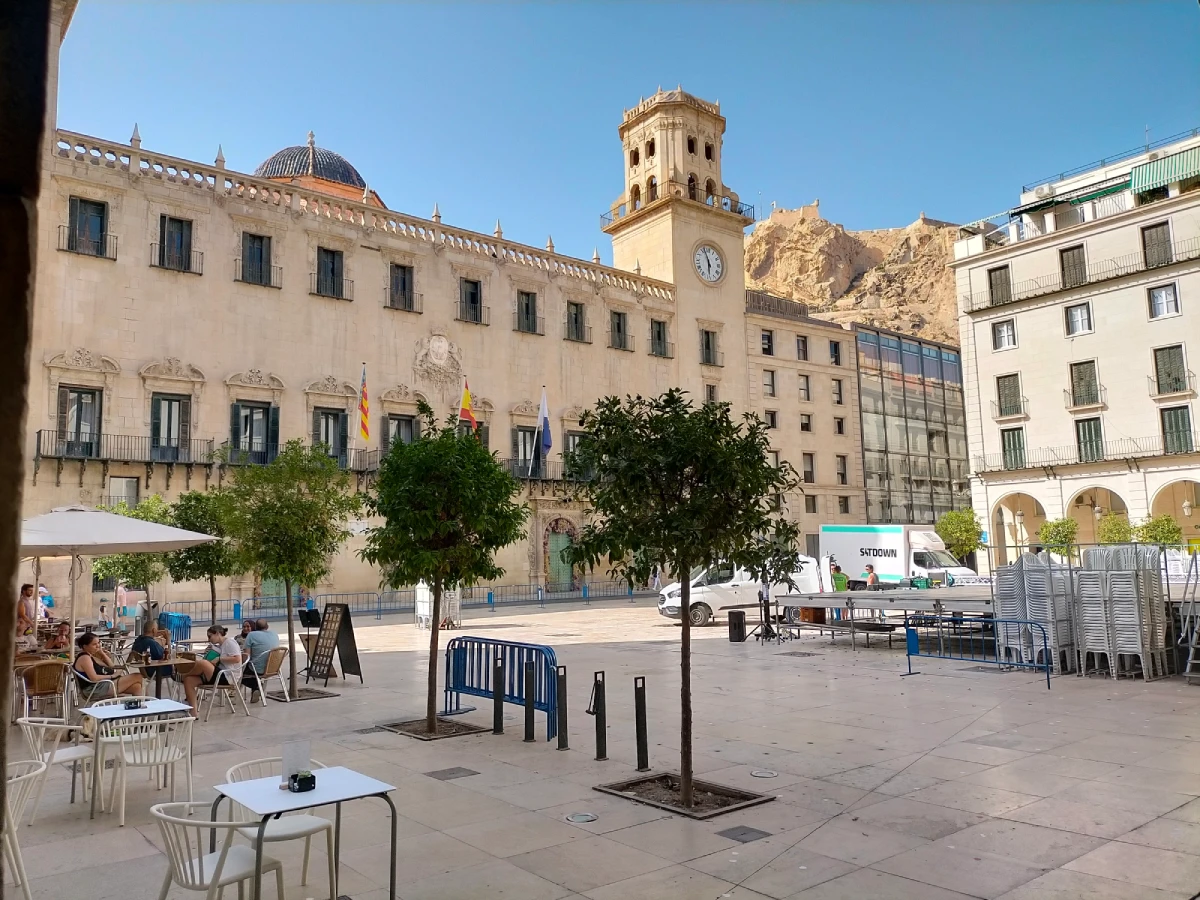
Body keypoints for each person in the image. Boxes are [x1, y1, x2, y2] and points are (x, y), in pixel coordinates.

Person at [182, 625, 243, 713]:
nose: (208, 639)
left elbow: (237, 659)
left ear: (218, 633)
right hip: (220, 673)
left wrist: (219, 658)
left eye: (210, 636)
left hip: (228, 676)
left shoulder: (230, 642)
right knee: (189, 680)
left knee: (203, 663)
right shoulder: (221, 645)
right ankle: (193, 713)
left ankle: (183, 674)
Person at [73, 632, 144, 700]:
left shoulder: (91, 656)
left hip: (102, 685)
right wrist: (112, 676)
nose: (98, 646)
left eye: (98, 643)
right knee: (138, 676)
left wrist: (102, 653)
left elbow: (111, 666)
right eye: (94, 644)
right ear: (85, 646)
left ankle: (139, 709)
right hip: (94, 689)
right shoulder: (84, 658)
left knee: (136, 687)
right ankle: (147, 704)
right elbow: (94, 678)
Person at [240, 619, 280, 702]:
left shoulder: (251, 635)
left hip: (257, 669)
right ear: (267, 626)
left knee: (238, 675)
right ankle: (256, 689)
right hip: (273, 667)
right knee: (249, 670)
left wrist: (239, 666)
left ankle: (257, 687)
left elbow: (246, 656)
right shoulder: (274, 634)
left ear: (255, 627)